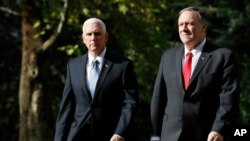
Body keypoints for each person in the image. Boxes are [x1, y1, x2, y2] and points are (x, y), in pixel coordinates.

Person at [150, 7, 240, 141]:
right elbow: (158, 98)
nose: (184, 28)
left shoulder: (223, 56)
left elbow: (228, 99)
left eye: (189, 24)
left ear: (203, 27)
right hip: (169, 135)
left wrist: (218, 129)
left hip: (206, 134)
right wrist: (155, 135)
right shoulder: (168, 56)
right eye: (181, 24)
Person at [54, 18, 139, 141]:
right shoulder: (73, 66)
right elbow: (67, 107)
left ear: (106, 36)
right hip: (77, 135)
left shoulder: (122, 65)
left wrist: (120, 133)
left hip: (110, 136)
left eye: (97, 33)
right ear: (83, 38)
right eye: (89, 34)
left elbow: (130, 103)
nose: (93, 38)